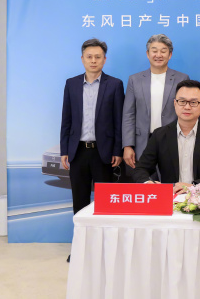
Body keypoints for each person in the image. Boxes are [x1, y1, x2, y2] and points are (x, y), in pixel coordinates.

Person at [60, 38, 124, 261]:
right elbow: (66, 119)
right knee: (79, 201)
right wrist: (64, 149)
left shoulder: (115, 85)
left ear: (104, 60)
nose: (93, 60)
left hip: (103, 153)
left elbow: (118, 121)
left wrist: (117, 150)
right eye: (89, 56)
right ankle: (81, 249)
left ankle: (105, 249)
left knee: (105, 202)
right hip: (77, 151)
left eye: (98, 57)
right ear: (82, 59)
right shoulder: (71, 84)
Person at [132, 80, 200, 195]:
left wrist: (195, 186)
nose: (187, 107)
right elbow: (141, 169)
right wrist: (148, 183)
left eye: (193, 102)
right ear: (175, 103)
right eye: (182, 101)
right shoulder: (160, 135)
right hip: (170, 197)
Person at [122, 34, 189, 180]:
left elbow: (185, 112)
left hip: (171, 140)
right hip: (142, 142)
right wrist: (128, 145)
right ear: (148, 54)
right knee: (143, 185)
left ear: (170, 55)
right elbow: (128, 114)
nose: (158, 55)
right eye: (154, 50)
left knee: (169, 184)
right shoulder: (135, 80)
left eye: (163, 51)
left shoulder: (182, 79)